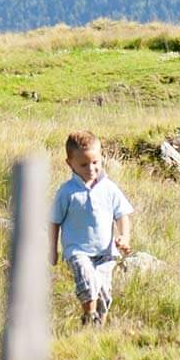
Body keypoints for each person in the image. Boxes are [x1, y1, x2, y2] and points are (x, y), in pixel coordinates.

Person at [49, 130, 134, 325]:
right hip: (77, 250)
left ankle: (97, 328)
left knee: (103, 291)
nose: (91, 169)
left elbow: (122, 214)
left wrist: (125, 237)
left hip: (105, 252)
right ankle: (89, 315)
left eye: (95, 162)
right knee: (87, 280)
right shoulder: (67, 192)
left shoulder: (109, 188)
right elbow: (54, 222)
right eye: (84, 164)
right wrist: (52, 250)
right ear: (69, 164)